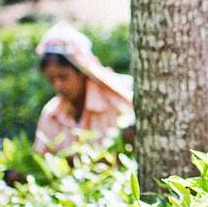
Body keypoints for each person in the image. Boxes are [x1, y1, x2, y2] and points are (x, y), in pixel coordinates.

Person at [33, 21, 133, 155]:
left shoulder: (114, 102)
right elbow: (41, 158)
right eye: (52, 79)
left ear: (81, 72)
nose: (58, 85)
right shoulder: (51, 113)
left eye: (63, 77)